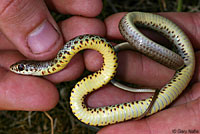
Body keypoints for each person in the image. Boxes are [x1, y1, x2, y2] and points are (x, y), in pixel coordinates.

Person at [0, 0, 199, 133]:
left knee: (125, 26)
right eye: (21, 69)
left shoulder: (62, 56)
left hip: (137, 45)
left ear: (31, 67)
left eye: (22, 68)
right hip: (150, 75)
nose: (19, 70)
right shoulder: (57, 64)